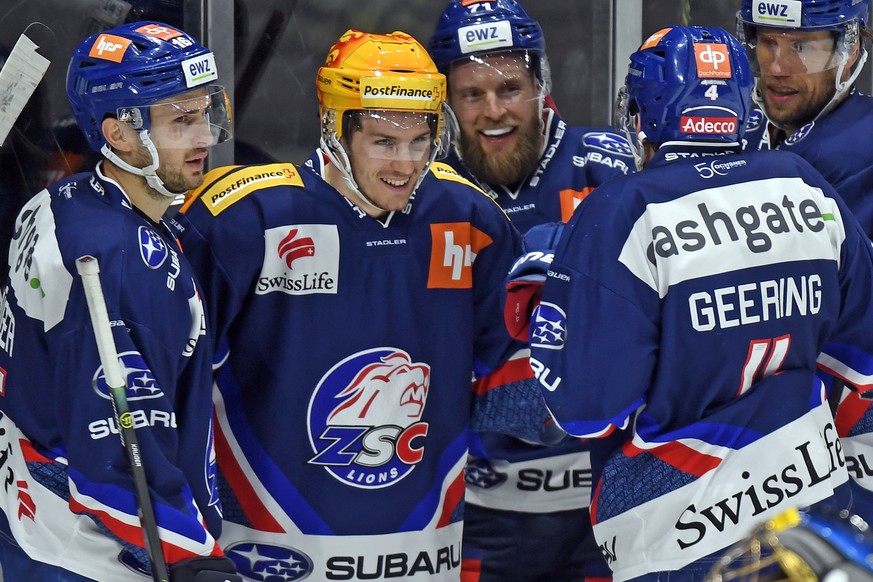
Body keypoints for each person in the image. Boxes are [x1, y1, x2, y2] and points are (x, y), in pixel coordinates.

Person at [172, 29, 539, 582]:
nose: (405, 164)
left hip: (424, 554)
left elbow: (508, 376)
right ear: (333, 128)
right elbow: (174, 389)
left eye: (420, 141)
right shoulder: (242, 219)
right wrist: (185, 539)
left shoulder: (467, 216)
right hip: (262, 555)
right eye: (384, 142)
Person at [522, 25, 873, 581]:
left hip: (676, 537)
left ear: (643, 113)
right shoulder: (804, 185)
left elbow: (587, 411)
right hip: (808, 512)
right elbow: (862, 360)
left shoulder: (623, 212)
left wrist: (550, 302)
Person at [0, 22, 239, 581]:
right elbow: (114, 447)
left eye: (205, 113)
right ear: (120, 134)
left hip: (30, 517)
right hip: (91, 555)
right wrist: (191, 557)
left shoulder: (63, 198)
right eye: (181, 120)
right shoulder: (115, 260)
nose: (204, 137)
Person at [427, 1, 633, 580]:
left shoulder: (607, 169)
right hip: (476, 513)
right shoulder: (421, 189)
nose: (493, 111)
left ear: (542, 85)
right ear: (445, 102)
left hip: (602, 502)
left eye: (510, 88)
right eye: (471, 94)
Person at [736, 0, 873, 525]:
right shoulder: (750, 136)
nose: (777, 66)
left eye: (802, 47)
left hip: (848, 448)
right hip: (781, 458)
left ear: (850, 48)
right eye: (768, 42)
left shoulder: (861, 148)